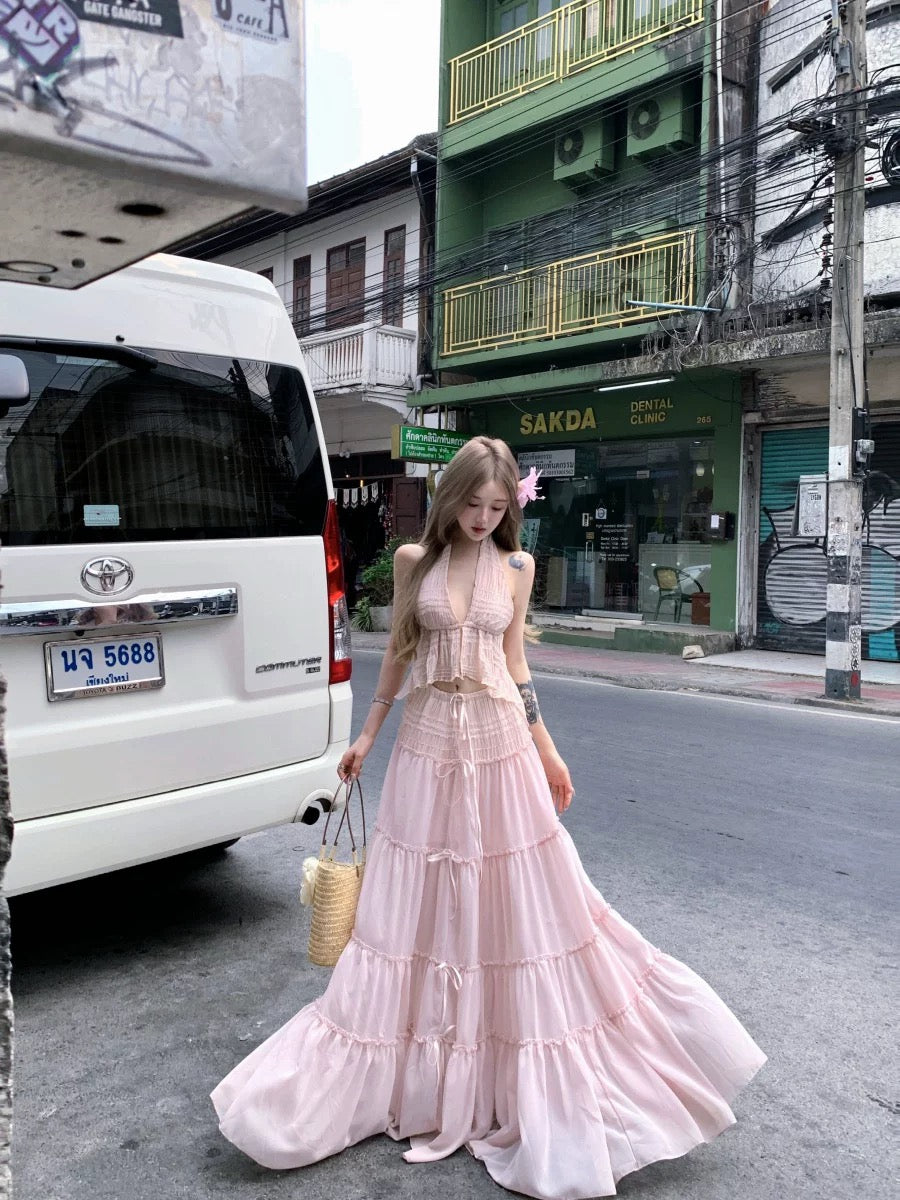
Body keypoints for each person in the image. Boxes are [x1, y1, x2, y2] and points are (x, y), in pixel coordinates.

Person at [211, 436, 765, 1200]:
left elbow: (516, 666)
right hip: (429, 747)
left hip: (500, 744)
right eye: (471, 503)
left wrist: (550, 751)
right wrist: (365, 737)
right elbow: (401, 655)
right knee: (417, 912)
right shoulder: (414, 563)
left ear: (511, 509)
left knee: (528, 907)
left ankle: (511, 1066)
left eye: (497, 507)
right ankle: (413, 1071)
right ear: (450, 500)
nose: (482, 517)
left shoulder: (517, 568)